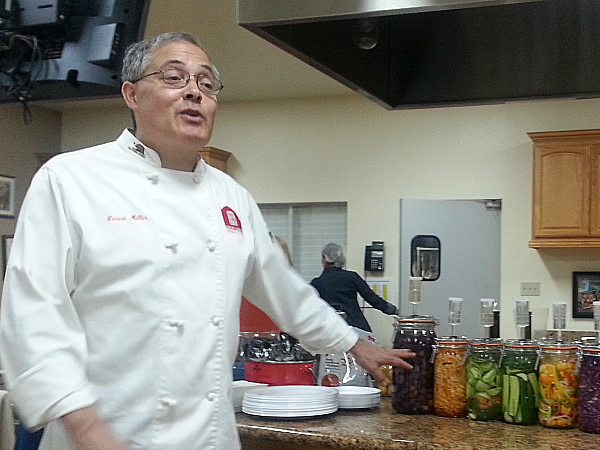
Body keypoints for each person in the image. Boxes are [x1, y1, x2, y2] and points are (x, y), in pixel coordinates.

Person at [0, 32, 415, 450]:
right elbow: (33, 314)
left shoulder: (230, 195)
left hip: (207, 438)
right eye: (175, 78)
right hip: (103, 436)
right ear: (131, 94)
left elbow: (285, 291)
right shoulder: (71, 179)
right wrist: (86, 427)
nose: (194, 93)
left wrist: (352, 342)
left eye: (206, 83)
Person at [310, 243, 399, 332]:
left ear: (324, 258)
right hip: (356, 327)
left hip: (331, 330)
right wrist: (394, 310)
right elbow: (372, 298)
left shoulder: (316, 283)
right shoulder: (352, 277)